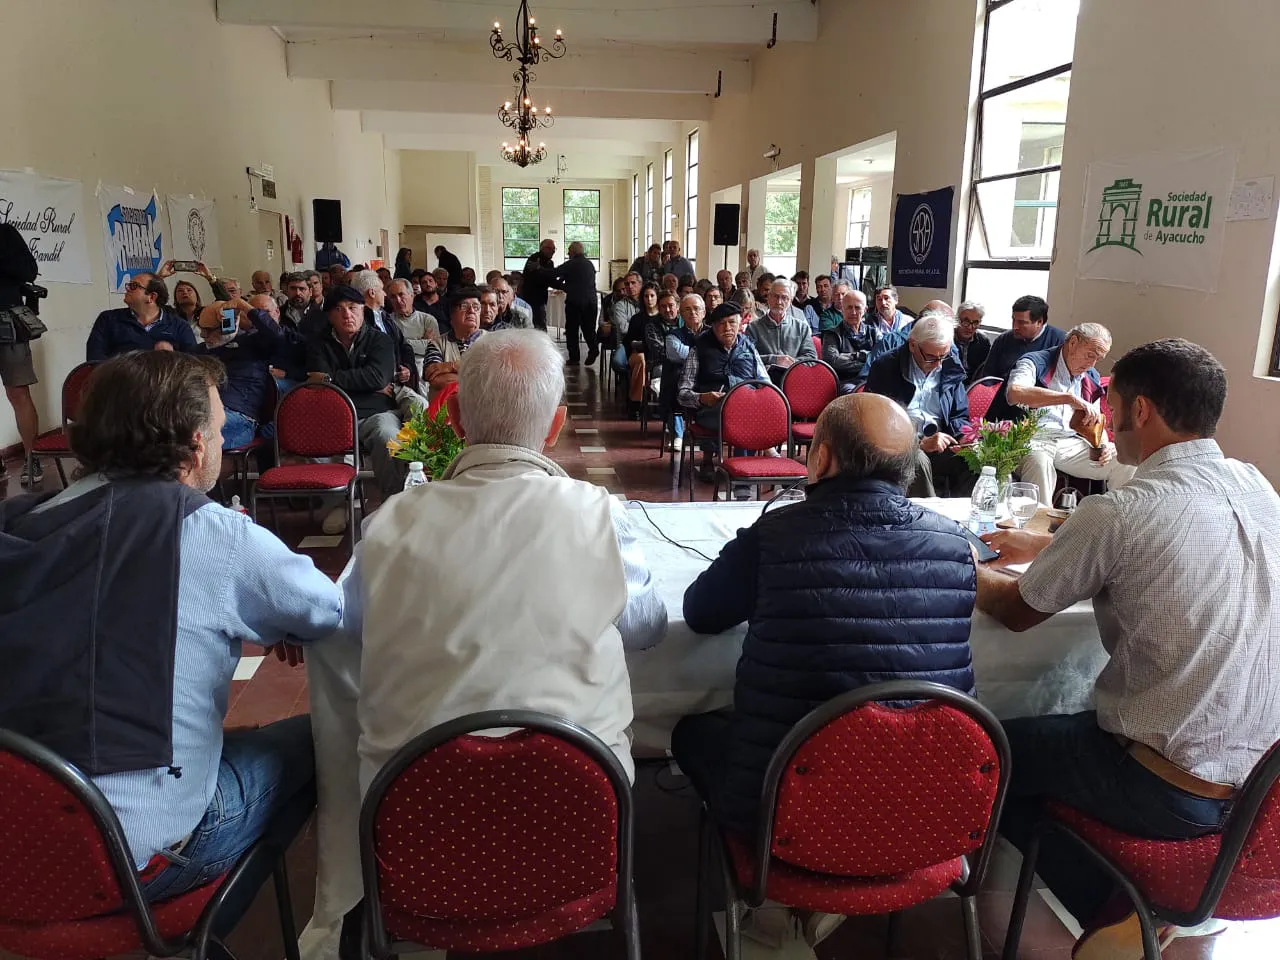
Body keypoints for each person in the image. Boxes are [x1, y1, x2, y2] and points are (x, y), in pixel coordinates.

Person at [0, 349, 339, 914]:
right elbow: (327, 612)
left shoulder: (19, 521)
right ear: (195, 441)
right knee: (315, 737)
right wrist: (277, 619)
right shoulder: (212, 534)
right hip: (129, 859)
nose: (226, 441)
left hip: (16, 842)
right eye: (219, 426)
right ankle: (208, 928)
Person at [973, 338, 1280, 960]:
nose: (1103, 417)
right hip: (1262, 783)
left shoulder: (1122, 510)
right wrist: (1051, 540)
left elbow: (1015, 611)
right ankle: (1150, 914)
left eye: (1109, 402)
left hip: (1163, 784)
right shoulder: (1256, 485)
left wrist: (955, 561)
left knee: (988, 754)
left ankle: (1117, 910)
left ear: (1141, 411)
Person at [671, 393, 976, 939]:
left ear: (823, 459)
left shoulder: (775, 536)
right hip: (926, 807)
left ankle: (761, 909)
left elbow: (699, 614)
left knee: (691, 732)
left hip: (785, 815)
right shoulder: (955, 545)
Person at [348, 329, 667, 792]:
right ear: (555, 427)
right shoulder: (600, 513)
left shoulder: (388, 523)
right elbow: (646, 627)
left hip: (419, 812)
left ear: (454, 418)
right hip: (574, 802)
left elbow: (359, 627)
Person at [1010, 323, 1136, 505]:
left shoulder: (1090, 376)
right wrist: (1068, 398)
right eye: (1089, 355)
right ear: (1073, 342)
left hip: (1069, 442)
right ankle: (1037, 527)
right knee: (1040, 462)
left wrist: (1103, 445)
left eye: (1097, 359)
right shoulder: (1034, 362)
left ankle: (1115, 519)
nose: (1091, 364)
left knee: (1124, 460)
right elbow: (1016, 392)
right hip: (1030, 437)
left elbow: (1094, 420)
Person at [305, 285, 405, 501]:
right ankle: (338, 503)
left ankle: (394, 499)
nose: (347, 315)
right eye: (339, 310)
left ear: (362, 310)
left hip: (375, 413)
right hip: (334, 413)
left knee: (388, 437)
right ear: (330, 316)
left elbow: (379, 378)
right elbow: (317, 382)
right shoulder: (319, 344)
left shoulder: (380, 341)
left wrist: (331, 378)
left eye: (352, 308)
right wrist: (362, 382)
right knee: (306, 436)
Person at [865, 314, 972, 498]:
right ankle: (926, 521)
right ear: (912, 344)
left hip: (941, 442)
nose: (938, 364)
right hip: (901, 445)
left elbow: (958, 415)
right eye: (931, 357)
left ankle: (960, 519)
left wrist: (964, 436)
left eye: (943, 356)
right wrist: (918, 442)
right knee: (917, 460)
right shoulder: (886, 367)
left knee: (975, 460)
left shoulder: (950, 365)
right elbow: (876, 423)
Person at [678, 303, 769, 479]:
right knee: (743, 412)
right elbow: (682, 393)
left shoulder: (749, 347)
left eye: (732, 322)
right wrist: (702, 398)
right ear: (713, 326)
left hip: (745, 406)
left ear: (741, 323)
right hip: (711, 411)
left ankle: (742, 472)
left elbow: (765, 382)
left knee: (749, 410)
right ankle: (742, 474)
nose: (727, 328)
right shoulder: (699, 350)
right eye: (721, 323)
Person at [194, 299, 283, 449]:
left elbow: (277, 335)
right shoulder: (200, 351)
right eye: (200, 328)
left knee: (188, 433)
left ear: (227, 326)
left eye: (208, 330)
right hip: (202, 411)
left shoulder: (253, 344)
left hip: (240, 418)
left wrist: (241, 305)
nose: (203, 335)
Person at [0, 222, 42, 487]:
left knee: (18, 393)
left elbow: (30, 271)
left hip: (7, 323)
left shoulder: (5, 233)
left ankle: (31, 456)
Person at [980, 295, 1067, 421]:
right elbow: (988, 378)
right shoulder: (1004, 340)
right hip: (1004, 407)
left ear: (1039, 322)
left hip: (1042, 412)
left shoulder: (1061, 342)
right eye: (1013, 320)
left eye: (1021, 322)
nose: (1015, 326)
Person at [347, 270, 419, 409]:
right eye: (382, 290)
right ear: (372, 293)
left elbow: (405, 347)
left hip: (396, 382)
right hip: (376, 387)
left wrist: (407, 369)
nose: (385, 294)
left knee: (421, 406)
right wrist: (377, 383)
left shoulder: (385, 317)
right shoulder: (358, 322)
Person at [87, 273, 195, 361]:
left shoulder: (179, 326)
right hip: (119, 383)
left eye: (134, 286)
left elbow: (193, 365)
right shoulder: (108, 319)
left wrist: (173, 357)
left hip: (165, 385)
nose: (127, 288)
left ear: (151, 297)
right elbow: (94, 360)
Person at [744, 278, 818, 384]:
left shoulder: (801, 327)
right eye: (775, 296)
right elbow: (746, 357)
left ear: (790, 301)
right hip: (764, 381)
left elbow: (811, 358)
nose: (779, 302)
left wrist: (791, 363)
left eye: (784, 298)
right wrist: (775, 360)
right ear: (768, 298)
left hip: (795, 379)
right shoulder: (753, 327)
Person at [658, 294, 707, 447]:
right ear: (681, 314)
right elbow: (677, 354)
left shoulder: (713, 333)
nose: (693, 312)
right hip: (682, 377)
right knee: (675, 381)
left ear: (704, 312)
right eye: (687, 309)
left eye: (696, 309)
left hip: (706, 376)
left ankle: (709, 435)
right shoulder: (673, 336)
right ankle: (677, 434)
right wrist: (705, 354)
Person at [422, 286, 485, 400]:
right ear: (451, 314)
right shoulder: (437, 344)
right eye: (464, 306)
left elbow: (497, 378)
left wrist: (451, 366)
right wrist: (480, 378)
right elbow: (435, 379)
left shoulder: (493, 342)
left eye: (476, 307)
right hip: (447, 412)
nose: (471, 311)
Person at [821, 288, 874, 394]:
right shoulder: (832, 334)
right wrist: (863, 357)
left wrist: (847, 358)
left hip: (872, 379)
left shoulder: (874, 333)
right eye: (849, 307)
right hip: (846, 382)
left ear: (865, 310)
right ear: (842, 309)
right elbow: (832, 362)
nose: (853, 312)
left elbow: (881, 359)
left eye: (857, 307)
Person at [556, 240, 599, 365]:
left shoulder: (571, 264)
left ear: (573, 252)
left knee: (572, 330)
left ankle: (574, 358)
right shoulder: (589, 264)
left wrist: (540, 271)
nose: (568, 253)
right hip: (591, 301)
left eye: (569, 251)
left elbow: (556, 272)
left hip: (575, 302)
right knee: (589, 329)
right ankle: (594, 348)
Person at [385, 278, 439, 364]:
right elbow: (388, 348)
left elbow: (433, 349)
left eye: (401, 294)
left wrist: (399, 342)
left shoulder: (427, 320)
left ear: (412, 295)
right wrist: (421, 343)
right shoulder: (387, 321)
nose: (398, 300)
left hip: (423, 368)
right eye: (393, 297)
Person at [521, 239, 559, 331]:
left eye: (554, 249)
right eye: (550, 248)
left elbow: (550, 278)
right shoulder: (534, 259)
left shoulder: (549, 262)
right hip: (532, 298)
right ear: (542, 248)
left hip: (541, 298)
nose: (553, 251)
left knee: (540, 324)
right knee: (538, 326)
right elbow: (540, 278)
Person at [955, 301, 992, 385]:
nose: (970, 327)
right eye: (966, 321)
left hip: (973, 384)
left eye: (975, 323)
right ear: (957, 320)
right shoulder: (948, 339)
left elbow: (984, 370)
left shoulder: (983, 341)